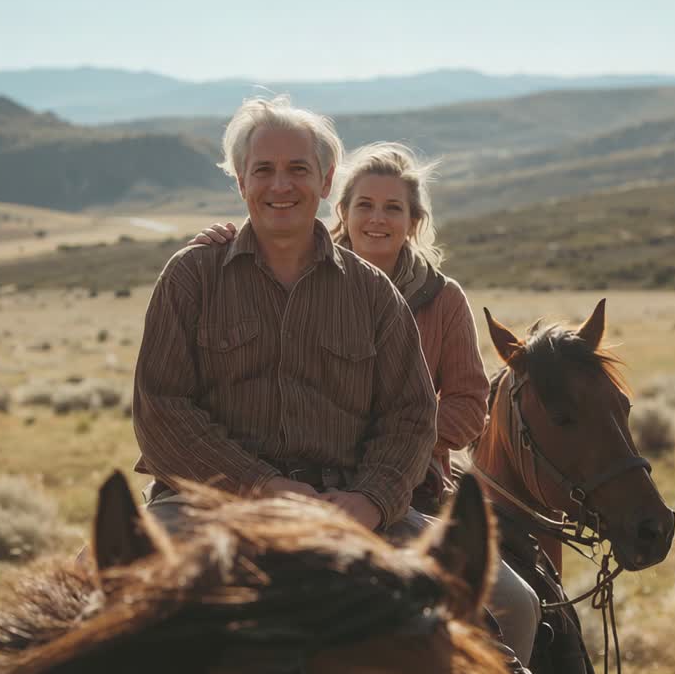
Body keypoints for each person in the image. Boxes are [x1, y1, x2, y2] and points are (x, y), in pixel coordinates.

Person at [133, 97, 541, 668]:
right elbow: (162, 412)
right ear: (241, 181)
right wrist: (266, 488)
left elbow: (409, 418)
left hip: (350, 506)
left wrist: (370, 501)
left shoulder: (373, 293)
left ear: (325, 181)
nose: (281, 185)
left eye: (299, 169)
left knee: (512, 605)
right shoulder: (191, 277)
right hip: (205, 508)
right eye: (264, 170)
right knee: (106, 615)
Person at [192, 142, 490, 515]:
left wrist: (390, 447)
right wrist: (215, 250)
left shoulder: (442, 298)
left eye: (393, 208)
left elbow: (468, 407)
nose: (377, 219)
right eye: (364, 205)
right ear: (343, 212)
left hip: (410, 483)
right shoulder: (297, 277)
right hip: (298, 478)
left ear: (413, 222)